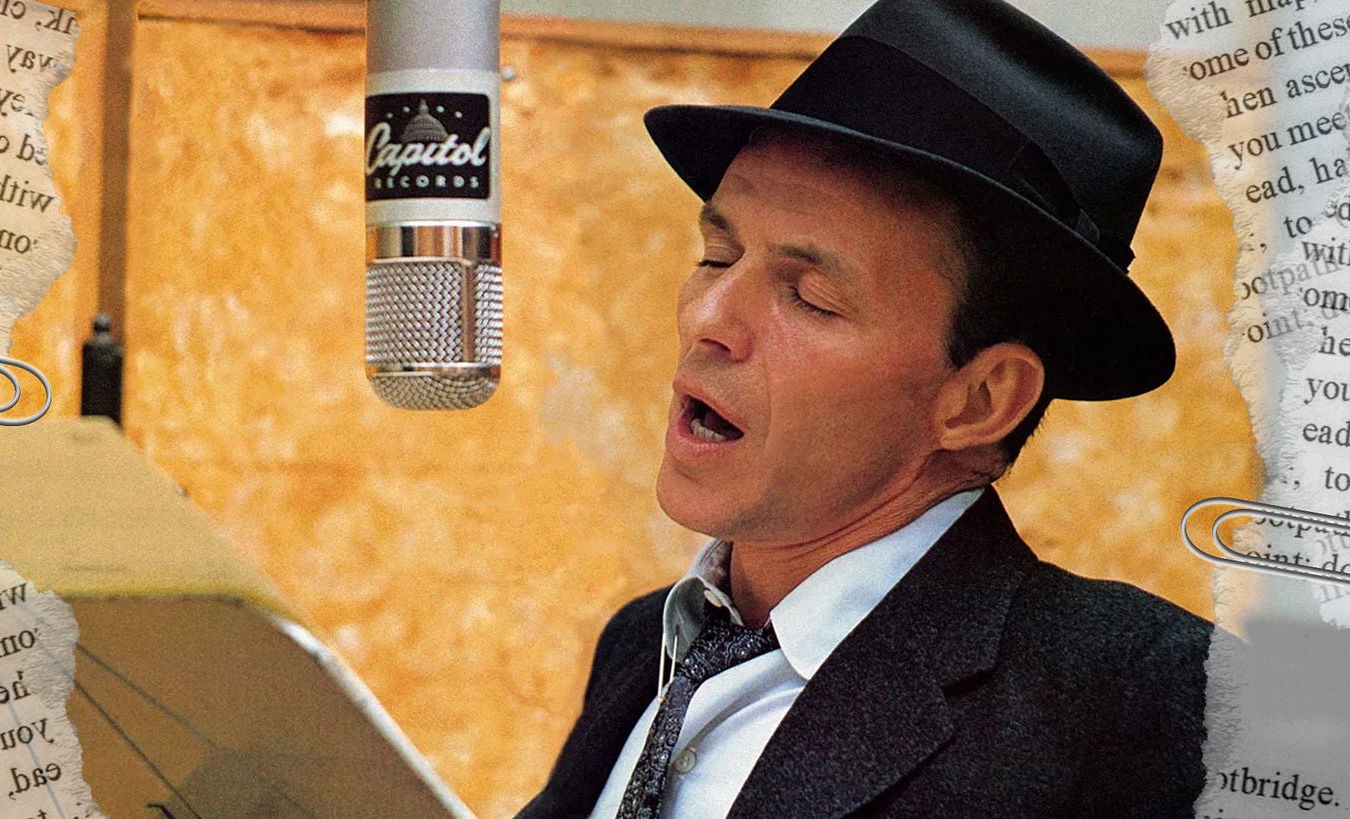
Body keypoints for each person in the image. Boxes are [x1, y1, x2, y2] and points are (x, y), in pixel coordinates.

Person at [518, 0, 1212, 816]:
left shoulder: (1148, 702)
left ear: (981, 399)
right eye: (717, 254)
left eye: (810, 296)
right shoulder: (643, 643)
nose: (709, 318)